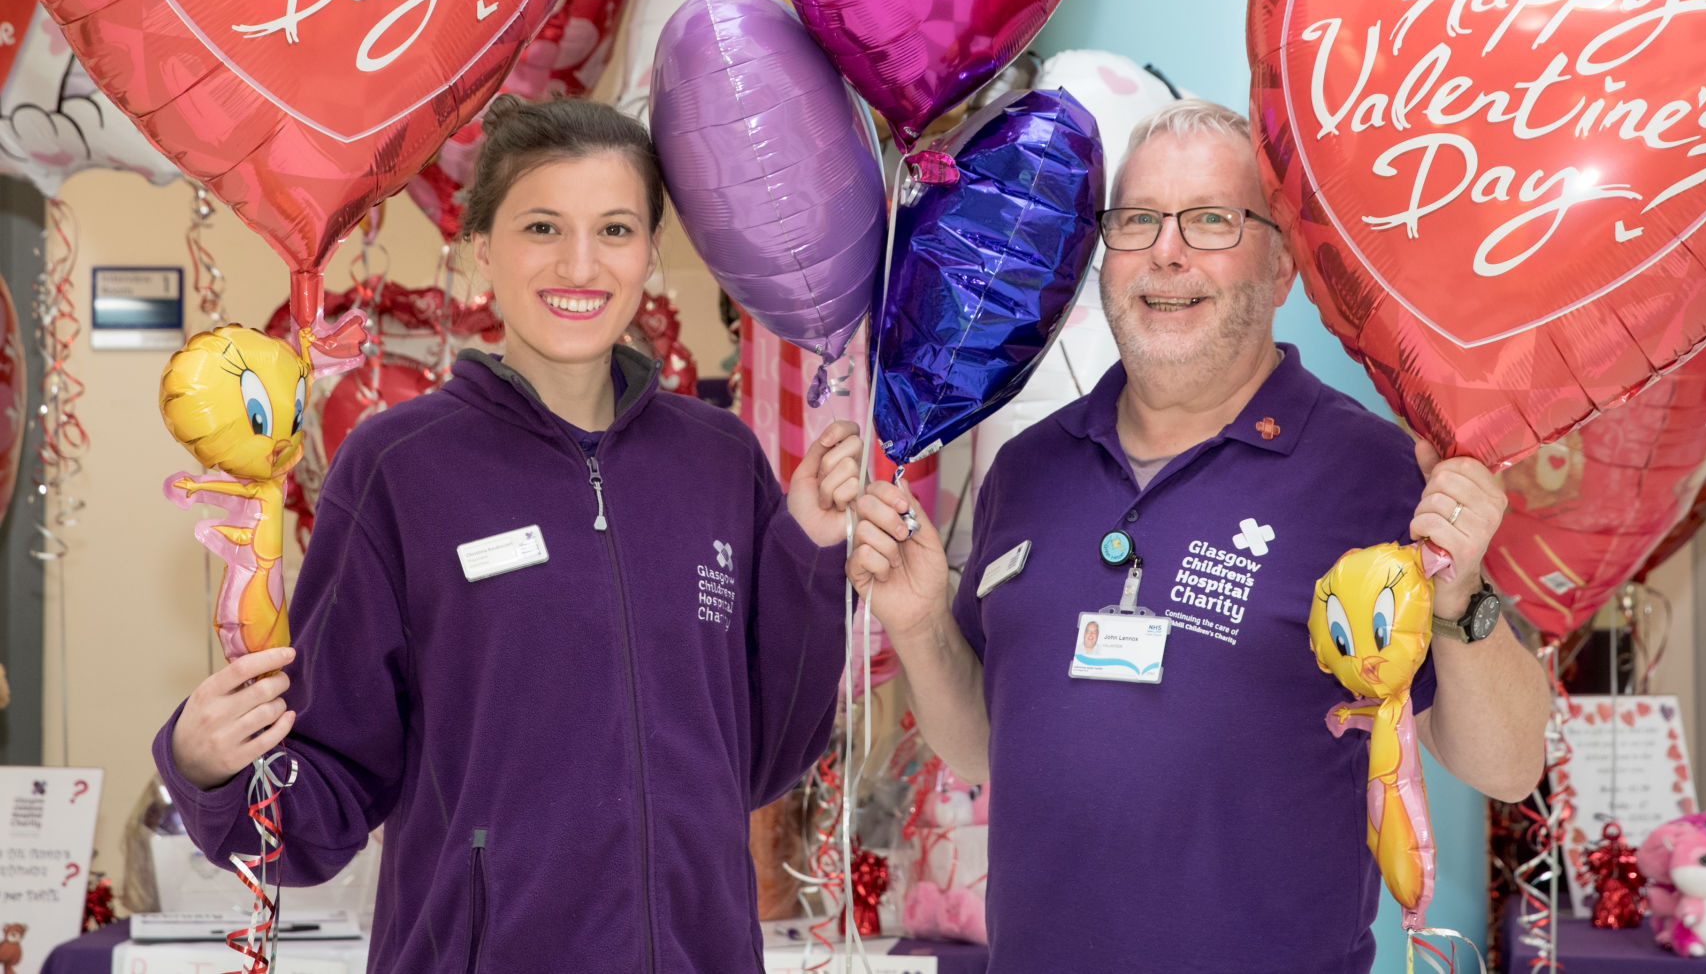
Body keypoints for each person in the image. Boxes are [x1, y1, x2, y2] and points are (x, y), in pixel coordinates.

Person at [154, 96, 860, 973]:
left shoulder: (719, 459)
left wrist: (808, 551)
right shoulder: (399, 466)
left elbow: (759, 759)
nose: (580, 263)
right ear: (482, 247)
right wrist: (209, 769)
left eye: (614, 229)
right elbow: (330, 791)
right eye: (541, 226)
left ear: (650, 252)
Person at [849, 99, 1551, 973]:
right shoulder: (1026, 470)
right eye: (1137, 221)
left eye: (1212, 220)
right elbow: (984, 748)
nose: (1166, 252)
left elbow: (1510, 765)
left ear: (1283, 261)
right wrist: (917, 623)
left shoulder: (1376, 478)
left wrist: (1463, 597)